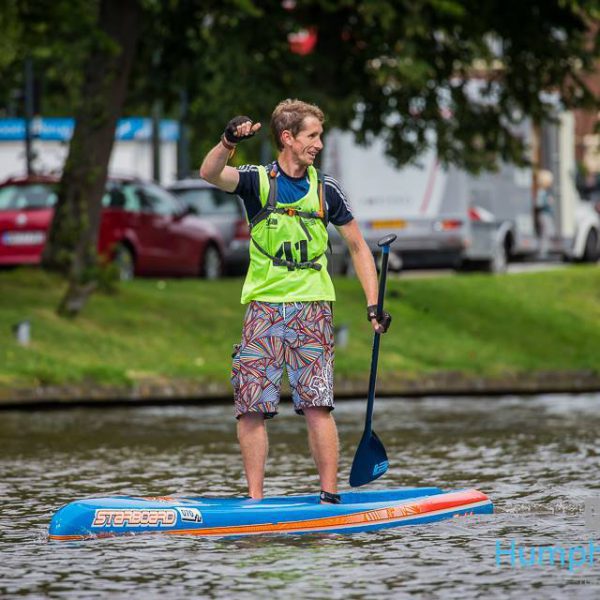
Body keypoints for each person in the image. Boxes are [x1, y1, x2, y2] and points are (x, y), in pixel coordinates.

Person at [199, 99, 391, 504]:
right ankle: (254, 501)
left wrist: (373, 304)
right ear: (287, 138)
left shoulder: (326, 189)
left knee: (317, 405)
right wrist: (228, 141)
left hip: (313, 308)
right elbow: (210, 173)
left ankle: (329, 497)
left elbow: (357, 246)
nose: (318, 144)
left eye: (319, 136)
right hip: (263, 308)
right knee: (251, 407)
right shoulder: (257, 181)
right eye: (312, 136)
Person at [534, 169, 555, 259]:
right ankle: (543, 253)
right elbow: (538, 203)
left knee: (548, 233)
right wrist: (548, 202)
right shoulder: (542, 192)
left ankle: (545, 251)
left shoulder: (545, 192)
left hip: (546, 215)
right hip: (544, 215)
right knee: (545, 233)